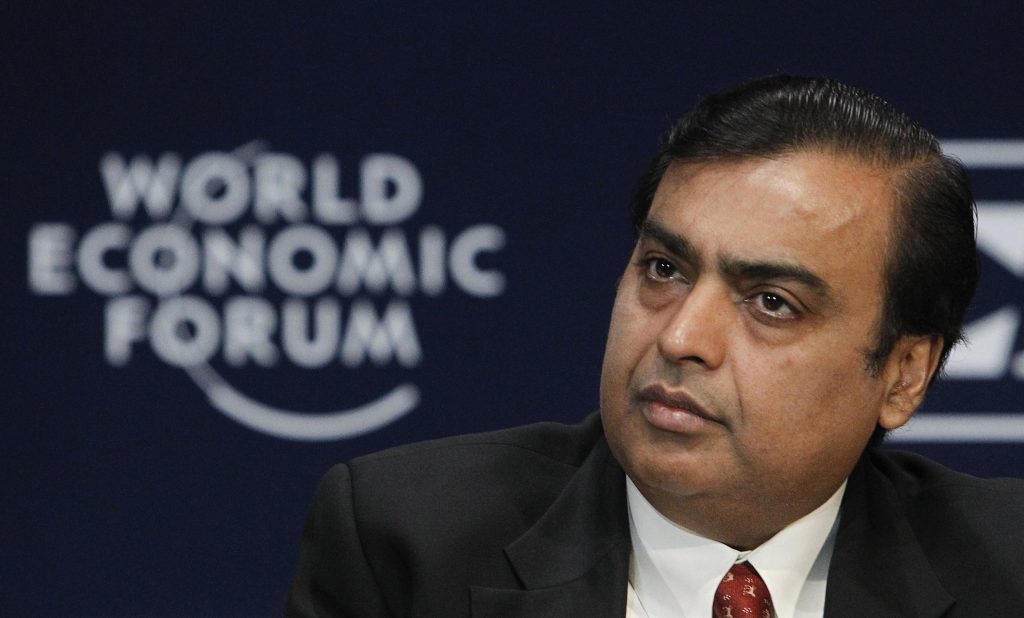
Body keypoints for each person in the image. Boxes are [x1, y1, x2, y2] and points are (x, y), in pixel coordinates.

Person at [285, 75, 1024, 617]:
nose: (679, 337)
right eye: (665, 269)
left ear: (903, 374)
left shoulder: (1006, 570)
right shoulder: (408, 547)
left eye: (771, 302)